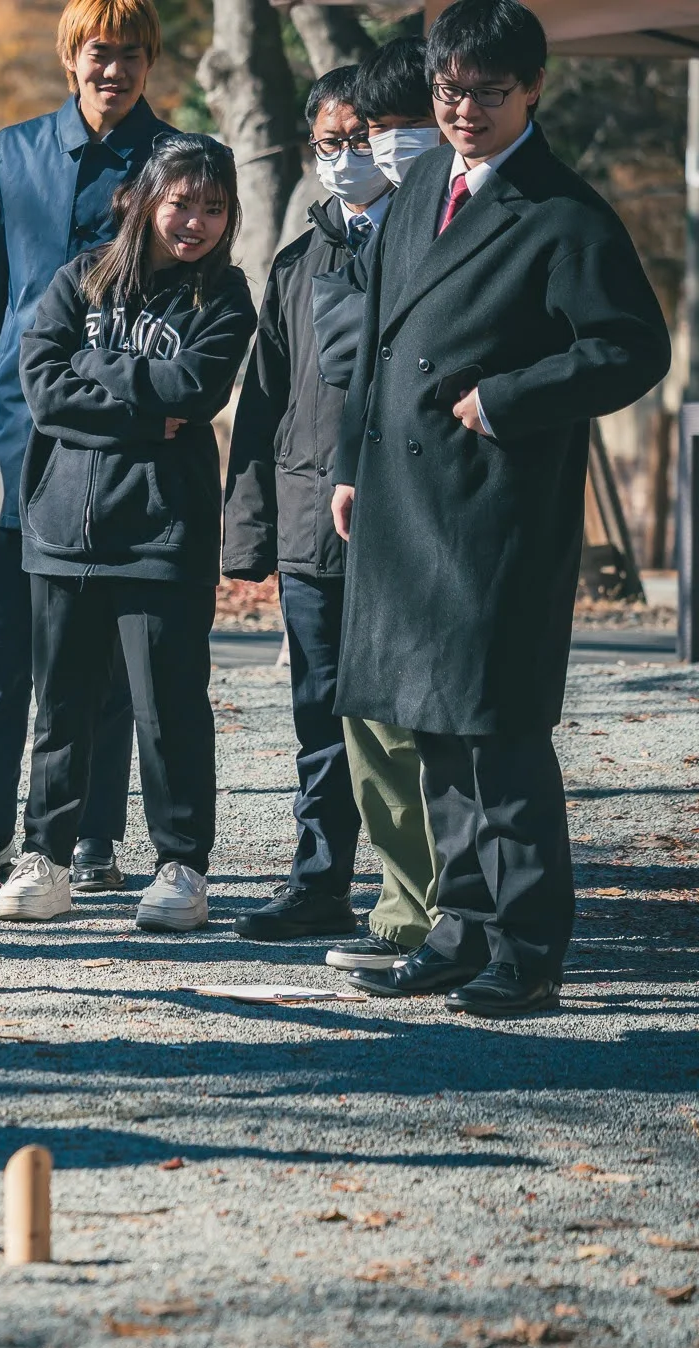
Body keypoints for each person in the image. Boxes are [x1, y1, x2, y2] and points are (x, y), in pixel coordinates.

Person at [330, 0, 669, 1016]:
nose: (462, 109)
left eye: (484, 91)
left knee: (499, 735)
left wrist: (507, 400)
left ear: (531, 90)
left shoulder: (561, 211)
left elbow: (628, 349)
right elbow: (378, 334)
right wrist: (351, 462)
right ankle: (457, 926)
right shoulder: (423, 176)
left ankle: (527, 951)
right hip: (399, 495)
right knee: (427, 723)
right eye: (446, 91)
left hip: (492, 506)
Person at [0, 134, 254, 931]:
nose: (196, 223)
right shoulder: (80, 278)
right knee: (61, 706)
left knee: (169, 708)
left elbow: (194, 388)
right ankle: (45, 856)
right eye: (181, 203)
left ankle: (181, 865)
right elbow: (44, 392)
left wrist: (99, 379)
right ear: (144, 199)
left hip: (161, 535)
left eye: (214, 208)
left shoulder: (228, 296)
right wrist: (149, 413)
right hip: (62, 529)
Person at [0, 0, 171, 895]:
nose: (112, 71)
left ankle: (93, 836)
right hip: (12, 425)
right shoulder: (14, 151)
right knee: (3, 647)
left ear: (150, 62)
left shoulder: (174, 160)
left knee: (106, 649)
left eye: (129, 56)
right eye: (96, 53)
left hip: (119, 430)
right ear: (68, 58)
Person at [220, 67, 385, 945]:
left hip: (406, 527)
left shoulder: (425, 240)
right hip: (312, 518)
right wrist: (249, 538)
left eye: (362, 137)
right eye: (329, 142)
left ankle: (420, 895)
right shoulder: (298, 260)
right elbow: (263, 401)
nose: (347, 156)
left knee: (404, 718)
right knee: (318, 715)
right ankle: (320, 881)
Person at [308, 34, 448, 973]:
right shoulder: (348, 232)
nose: (376, 150)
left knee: (436, 714)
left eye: (396, 130)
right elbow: (341, 357)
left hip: (450, 491)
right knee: (370, 709)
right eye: (367, 131)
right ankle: (406, 906)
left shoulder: (462, 214)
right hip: (368, 485)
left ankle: (451, 907)